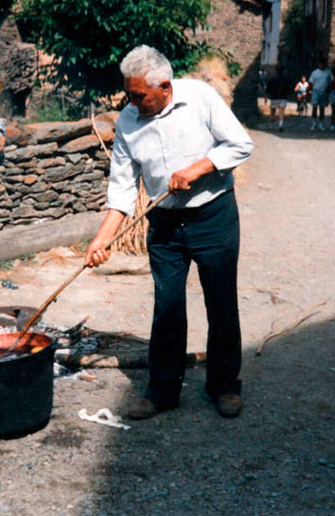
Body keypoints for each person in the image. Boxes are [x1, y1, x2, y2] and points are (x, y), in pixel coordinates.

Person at [84, 45, 254, 420]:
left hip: (213, 217)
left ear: (165, 85)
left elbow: (241, 144)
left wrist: (199, 169)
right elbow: (123, 189)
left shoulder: (200, 98)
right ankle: (162, 391)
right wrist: (102, 239)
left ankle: (224, 387)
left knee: (221, 304)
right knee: (168, 307)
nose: (132, 102)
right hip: (164, 224)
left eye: (139, 95)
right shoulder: (128, 121)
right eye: (129, 93)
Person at [308, 58, 332, 131]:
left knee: (322, 108)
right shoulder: (315, 72)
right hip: (316, 91)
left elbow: (331, 81)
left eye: (323, 64)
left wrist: (329, 90)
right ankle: (314, 123)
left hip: (324, 91)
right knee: (314, 107)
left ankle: (321, 124)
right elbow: (311, 82)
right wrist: (310, 90)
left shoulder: (328, 72)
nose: (321, 65)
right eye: (320, 64)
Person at [265, 66, 289, 132]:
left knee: (272, 112)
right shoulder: (285, 79)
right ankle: (280, 125)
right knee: (281, 112)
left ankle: (271, 126)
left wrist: (266, 97)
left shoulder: (272, 79)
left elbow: (268, 89)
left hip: (274, 97)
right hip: (283, 97)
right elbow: (288, 88)